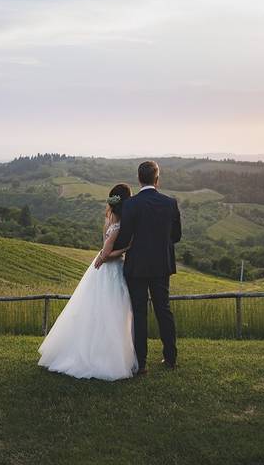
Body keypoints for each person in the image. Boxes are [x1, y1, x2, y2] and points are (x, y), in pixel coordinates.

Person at [37, 183, 139, 380]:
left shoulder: (109, 219)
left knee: (97, 311)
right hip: (110, 271)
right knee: (111, 312)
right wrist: (126, 249)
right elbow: (106, 254)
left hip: (104, 272)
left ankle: (99, 348)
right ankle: (104, 356)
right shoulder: (118, 226)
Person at [97, 160, 181, 373]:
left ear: (139, 178)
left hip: (137, 267)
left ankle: (140, 364)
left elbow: (124, 238)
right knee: (164, 310)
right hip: (162, 265)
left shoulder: (130, 205)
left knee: (139, 313)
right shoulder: (170, 203)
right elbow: (176, 236)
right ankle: (170, 358)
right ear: (157, 179)